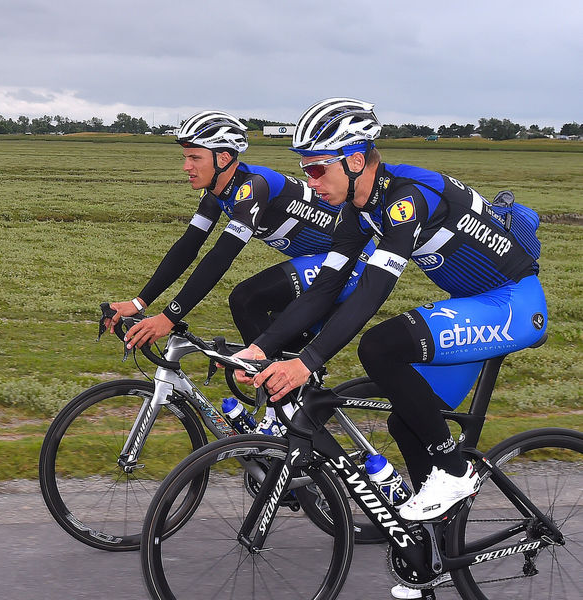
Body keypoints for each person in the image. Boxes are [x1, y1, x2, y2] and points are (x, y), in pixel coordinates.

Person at [233, 98, 548, 598]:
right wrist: (262, 349)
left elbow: (373, 291)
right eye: (305, 170)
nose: (309, 182)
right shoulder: (358, 210)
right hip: (478, 302)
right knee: (407, 417)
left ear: (355, 160)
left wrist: (309, 360)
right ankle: (431, 550)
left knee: (382, 346)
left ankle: (454, 470)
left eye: (316, 168)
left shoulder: (406, 198)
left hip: (513, 303)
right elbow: (324, 289)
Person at [104, 110, 373, 433]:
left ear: (224, 158)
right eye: (185, 157)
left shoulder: (254, 187)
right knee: (265, 327)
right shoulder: (217, 195)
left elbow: (220, 257)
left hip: (353, 262)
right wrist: (139, 303)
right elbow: (188, 247)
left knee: (248, 298)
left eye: (194, 157)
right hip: (324, 261)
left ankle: (278, 417)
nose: (186, 166)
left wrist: (169, 317)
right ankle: (290, 417)